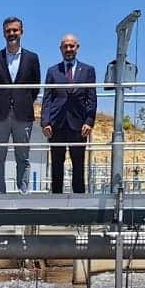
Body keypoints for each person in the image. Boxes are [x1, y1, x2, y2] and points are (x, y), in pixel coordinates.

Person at [0, 16, 41, 192]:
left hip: (23, 114)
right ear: (3, 33)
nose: (11, 33)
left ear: (21, 32)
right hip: (0, 115)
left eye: (15, 30)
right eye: (8, 31)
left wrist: (22, 101)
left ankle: (23, 193)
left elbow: (35, 86)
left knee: (23, 157)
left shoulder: (32, 58)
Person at [42, 33, 97, 193]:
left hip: (78, 125)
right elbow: (47, 98)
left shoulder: (88, 70)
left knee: (78, 165)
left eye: (71, 46)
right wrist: (45, 122)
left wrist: (89, 121)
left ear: (77, 47)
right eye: (65, 46)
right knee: (56, 165)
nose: (68, 49)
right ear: (60, 49)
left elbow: (91, 98)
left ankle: (79, 200)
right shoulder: (52, 71)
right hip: (56, 125)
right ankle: (56, 199)